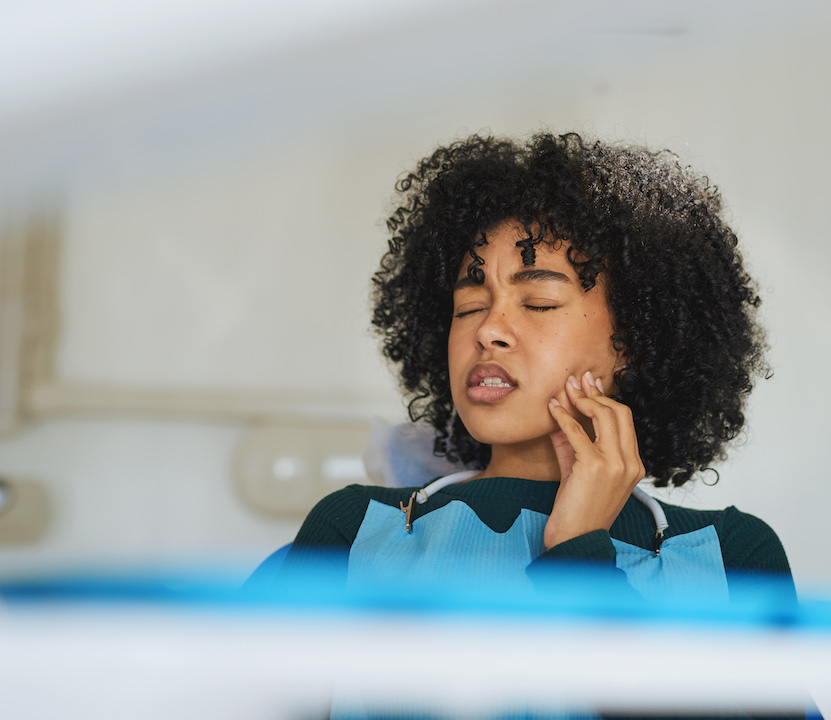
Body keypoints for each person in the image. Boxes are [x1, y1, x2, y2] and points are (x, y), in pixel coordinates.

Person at [279, 130, 793, 606]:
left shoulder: (730, 554)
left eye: (539, 302)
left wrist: (578, 550)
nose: (488, 329)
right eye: (469, 307)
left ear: (635, 341)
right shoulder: (353, 527)